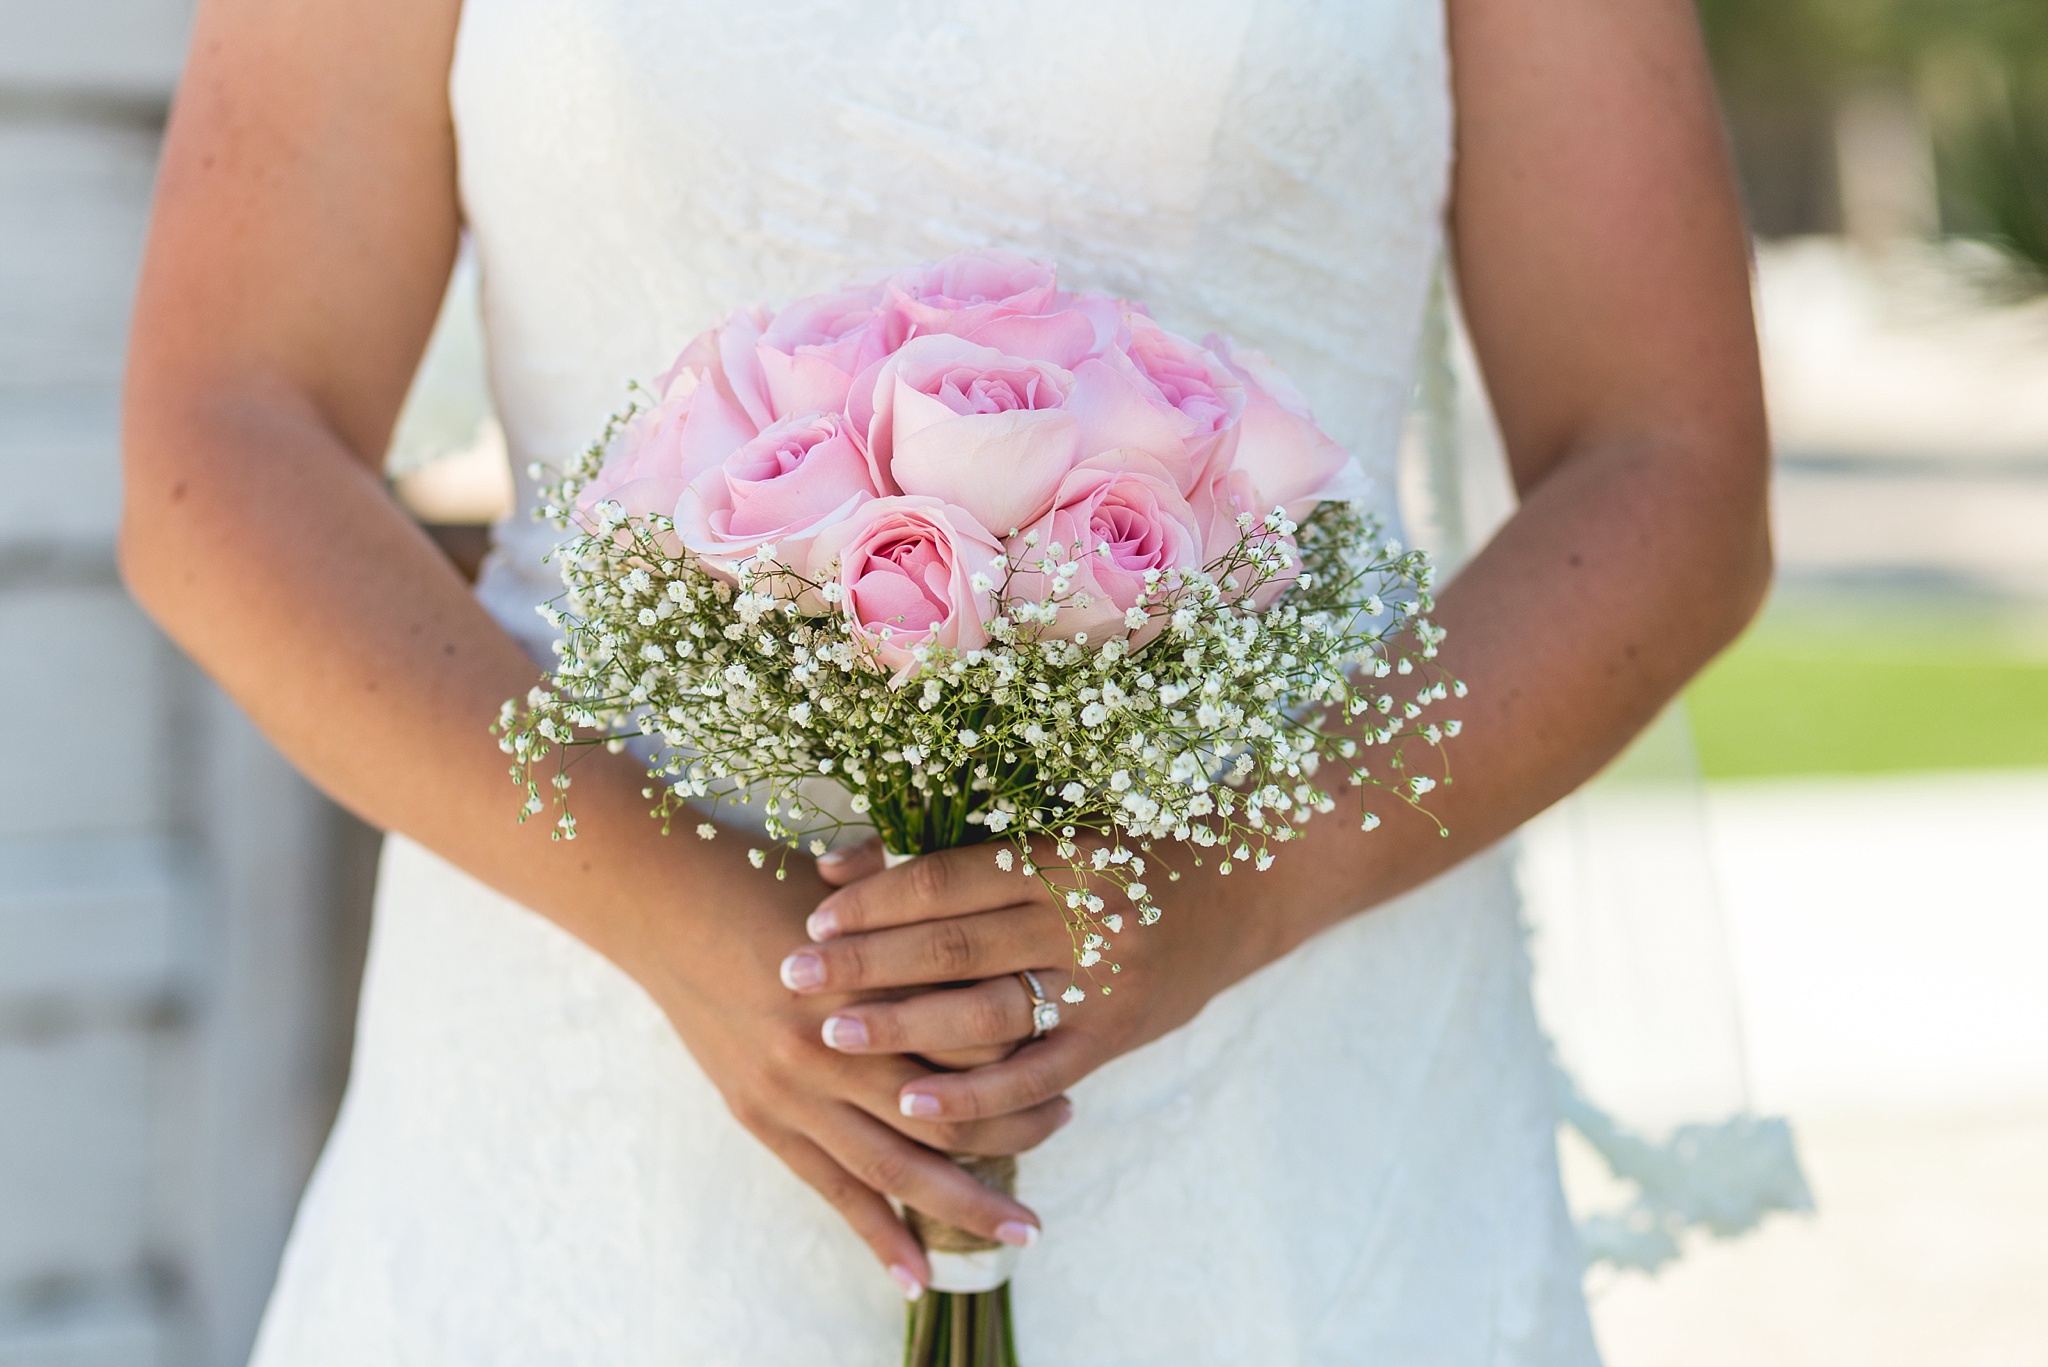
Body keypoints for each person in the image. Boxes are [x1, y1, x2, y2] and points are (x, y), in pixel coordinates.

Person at [120, 0, 1769, 1361]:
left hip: (1297, 1088)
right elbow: (227, 440)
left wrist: (1233, 890)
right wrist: (676, 913)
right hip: (593, 1076)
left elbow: (1664, 462)